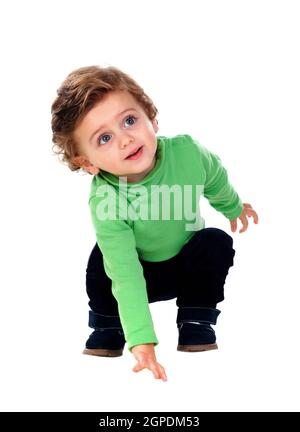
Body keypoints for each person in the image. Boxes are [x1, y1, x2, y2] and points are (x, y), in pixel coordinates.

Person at [51, 65, 258, 382]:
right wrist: (142, 340)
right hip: (139, 272)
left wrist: (231, 206)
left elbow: (213, 177)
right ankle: (108, 324)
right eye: (104, 138)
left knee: (215, 242)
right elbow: (125, 273)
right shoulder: (107, 200)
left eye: (130, 120)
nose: (125, 139)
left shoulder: (188, 153)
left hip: (185, 268)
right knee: (102, 260)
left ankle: (196, 320)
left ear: (151, 118)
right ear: (87, 162)